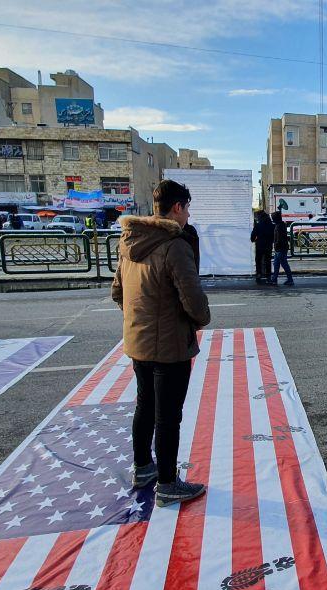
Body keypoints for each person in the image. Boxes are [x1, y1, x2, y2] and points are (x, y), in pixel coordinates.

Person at [112, 180, 211, 507]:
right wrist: (200, 319)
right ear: (178, 207)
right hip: (169, 345)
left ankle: (143, 467)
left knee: (145, 405)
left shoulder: (131, 240)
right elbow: (193, 299)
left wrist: (140, 319)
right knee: (168, 416)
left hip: (138, 341)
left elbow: (117, 292)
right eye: (187, 208)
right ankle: (168, 484)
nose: (188, 215)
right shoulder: (174, 245)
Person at [250, 210, 275, 284]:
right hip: (268, 245)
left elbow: (252, 237)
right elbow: (274, 236)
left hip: (259, 246)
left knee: (258, 260)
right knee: (268, 261)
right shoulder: (272, 225)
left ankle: (259, 274)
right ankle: (268, 275)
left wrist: (255, 240)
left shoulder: (258, 225)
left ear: (259, 217)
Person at [270, 211, 294, 286]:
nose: (272, 219)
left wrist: (276, 246)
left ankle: (289, 280)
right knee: (277, 264)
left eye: (273, 218)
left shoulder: (278, 227)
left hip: (280, 248)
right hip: (281, 248)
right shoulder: (281, 225)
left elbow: (278, 239)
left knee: (282, 264)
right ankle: (275, 279)